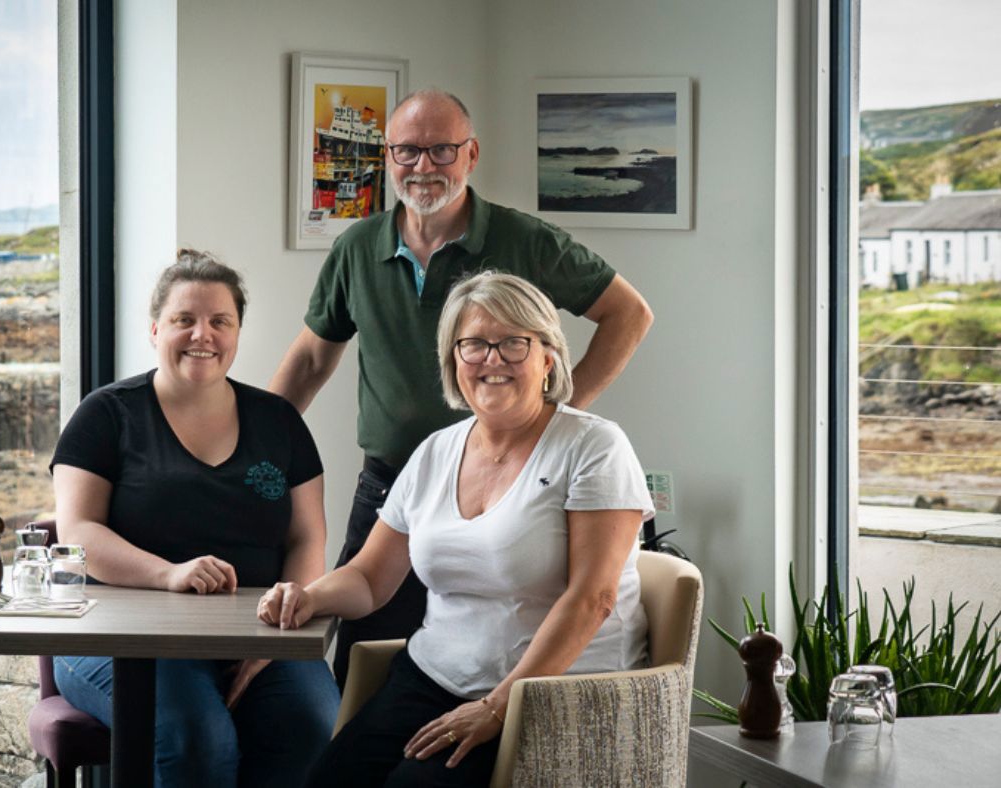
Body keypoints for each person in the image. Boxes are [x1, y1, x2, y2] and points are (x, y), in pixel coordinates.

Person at [269, 88, 654, 685]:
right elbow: (311, 362)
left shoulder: (525, 240)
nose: (423, 166)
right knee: (357, 668)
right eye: (408, 151)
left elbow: (630, 313)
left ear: (471, 155)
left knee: (484, 650)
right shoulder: (356, 247)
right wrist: (258, 455)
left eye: (441, 150)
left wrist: (557, 415)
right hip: (396, 486)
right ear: (388, 158)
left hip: (511, 490)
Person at [258, 272, 654, 787]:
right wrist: (309, 598)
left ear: (547, 358)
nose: (492, 359)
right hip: (433, 677)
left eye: (513, 343)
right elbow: (370, 578)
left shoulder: (594, 447)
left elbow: (593, 598)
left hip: (550, 692)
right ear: (453, 360)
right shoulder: (435, 451)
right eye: (473, 344)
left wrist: (497, 706)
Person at [49, 250, 339, 788]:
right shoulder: (105, 414)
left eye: (219, 321)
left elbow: (306, 537)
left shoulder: (279, 422)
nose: (201, 334)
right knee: (196, 738)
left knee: (311, 725)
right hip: (126, 639)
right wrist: (169, 573)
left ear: (236, 332)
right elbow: (78, 533)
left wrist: (275, 638)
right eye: (184, 319)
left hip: (258, 635)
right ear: (156, 328)